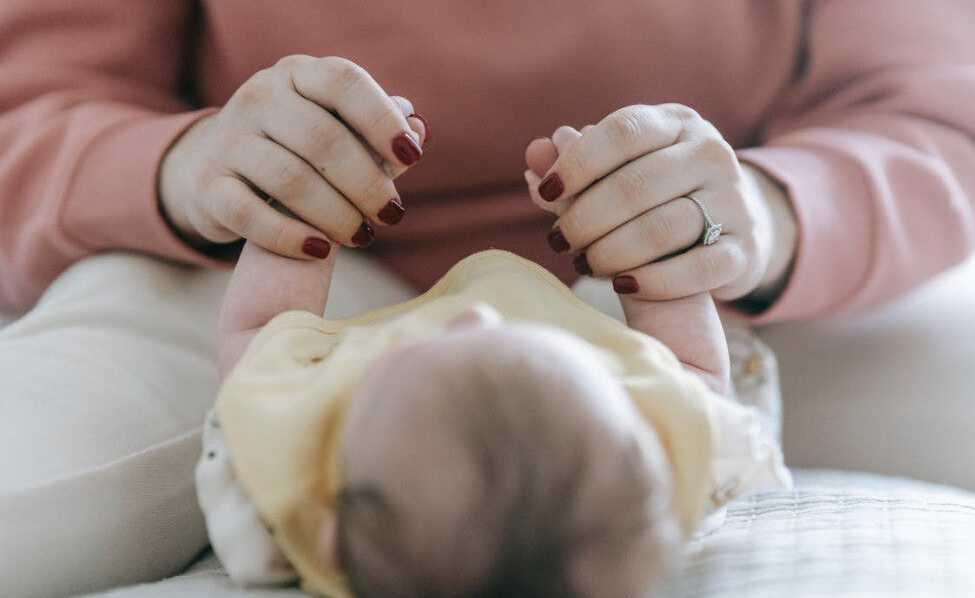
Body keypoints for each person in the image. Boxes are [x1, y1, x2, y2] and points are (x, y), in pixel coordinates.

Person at [1, 0, 973, 596]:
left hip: (753, 282)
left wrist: (759, 215)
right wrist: (195, 169)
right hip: (267, 262)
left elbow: (940, 120)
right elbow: (29, 118)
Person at [197, 238, 790, 598]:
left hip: (365, 299)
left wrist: (304, 224)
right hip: (590, 336)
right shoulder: (644, 492)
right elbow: (693, 376)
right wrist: (655, 265)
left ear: (335, 542)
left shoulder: (279, 499)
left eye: (411, 354)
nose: (476, 314)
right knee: (660, 357)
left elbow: (261, 335)